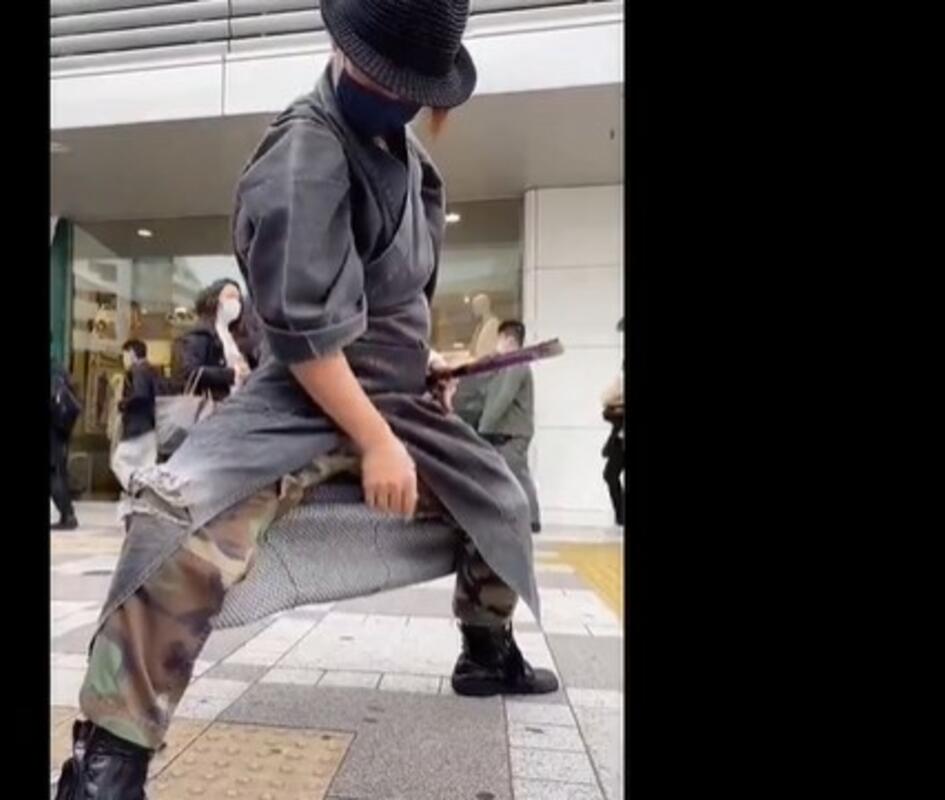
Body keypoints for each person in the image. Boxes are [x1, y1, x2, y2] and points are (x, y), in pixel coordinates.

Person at [57, 3, 557, 796]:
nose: (398, 97)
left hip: (398, 395)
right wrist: (375, 441)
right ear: (340, 45)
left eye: (412, 87)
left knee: (501, 495)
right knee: (174, 519)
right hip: (298, 394)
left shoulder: (409, 157)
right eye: (385, 78)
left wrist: (424, 362)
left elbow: (394, 298)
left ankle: (486, 649)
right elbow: (304, 331)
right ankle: (108, 760)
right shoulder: (306, 150)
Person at [474, 321, 542, 533]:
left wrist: (483, 428)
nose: (498, 344)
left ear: (509, 340)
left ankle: (531, 520)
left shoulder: (516, 364)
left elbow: (502, 399)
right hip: (506, 431)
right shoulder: (506, 364)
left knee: (517, 474)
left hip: (514, 432)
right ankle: (520, 518)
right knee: (512, 474)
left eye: (500, 339)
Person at [177, 278, 251, 400]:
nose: (235, 302)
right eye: (230, 296)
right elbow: (190, 371)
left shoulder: (237, 335)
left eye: (238, 298)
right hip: (215, 403)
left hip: (240, 401)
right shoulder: (201, 335)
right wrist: (231, 374)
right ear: (214, 300)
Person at [109, 339, 159, 490]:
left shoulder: (139, 370)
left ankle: (136, 489)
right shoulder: (152, 370)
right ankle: (143, 494)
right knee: (146, 467)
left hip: (138, 428)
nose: (123, 359)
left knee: (118, 461)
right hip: (150, 426)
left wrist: (123, 404)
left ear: (131, 353)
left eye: (124, 355)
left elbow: (141, 394)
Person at [51, 344, 81, 531]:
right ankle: (67, 514)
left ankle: (68, 515)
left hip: (53, 429)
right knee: (56, 471)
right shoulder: (58, 368)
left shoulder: (54, 370)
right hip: (59, 429)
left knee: (54, 473)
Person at [601, 331, 625, 526]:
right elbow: (606, 405)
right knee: (610, 475)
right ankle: (621, 514)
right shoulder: (620, 386)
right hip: (619, 441)